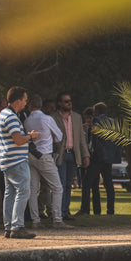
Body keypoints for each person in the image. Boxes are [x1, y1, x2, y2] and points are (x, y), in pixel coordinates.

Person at [0, 86, 40, 239]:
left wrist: (25, 136)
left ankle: (9, 226)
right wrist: (31, 137)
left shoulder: (2, 114)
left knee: (10, 193)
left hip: (6, 160)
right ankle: (17, 226)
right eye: (24, 100)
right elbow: (18, 140)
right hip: (17, 160)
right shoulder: (11, 117)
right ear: (18, 100)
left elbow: (15, 137)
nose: (25, 103)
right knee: (23, 191)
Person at [24, 94, 69, 229]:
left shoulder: (27, 121)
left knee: (33, 189)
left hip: (31, 155)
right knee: (57, 187)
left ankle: (35, 220)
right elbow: (59, 136)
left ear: (30, 106)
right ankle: (57, 219)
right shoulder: (47, 119)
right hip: (44, 154)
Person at [52, 92, 90, 221]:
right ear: (60, 103)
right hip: (60, 155)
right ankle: (58, 212)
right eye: (66, 101)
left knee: (68, 184)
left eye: (70, 101)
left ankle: (65, 211)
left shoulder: (77, 117)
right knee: (61, 184)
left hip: (73, 154)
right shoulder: (53, 118)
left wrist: (85, 155)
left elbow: (81, 139)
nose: (69, 103)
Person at [81, 102, 122, 215]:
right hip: (108, 157)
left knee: (87, 183)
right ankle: (110, 210)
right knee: (108, 184)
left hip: (98, 157)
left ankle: (85, 209)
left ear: (97, 111)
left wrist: (94, 149)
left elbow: (95, 137)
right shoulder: (113, 121)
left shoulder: (96, 120)